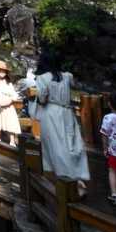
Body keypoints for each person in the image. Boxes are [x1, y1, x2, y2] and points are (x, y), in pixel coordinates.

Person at [30, 49, 90, 196]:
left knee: (57, 147)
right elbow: (74, 88)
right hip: (67, 112)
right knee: (72, 144)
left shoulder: (42, 78)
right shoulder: (68, 76)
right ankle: (77, 176)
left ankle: (65, 180)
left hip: (51, 114)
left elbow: (43, 99)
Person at [0, 60, 21, 146]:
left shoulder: (8, 82)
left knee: (11, 122)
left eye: (4, 70)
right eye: (0, 70)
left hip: (9, 106)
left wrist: (9, 101)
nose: (2, 72)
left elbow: (14, 94)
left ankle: (12, 141)